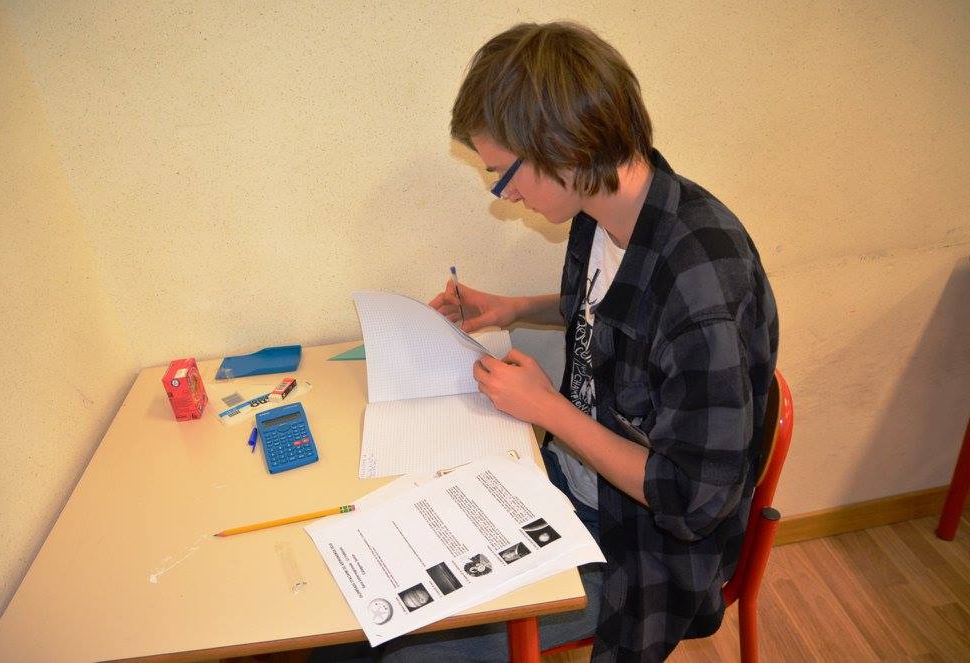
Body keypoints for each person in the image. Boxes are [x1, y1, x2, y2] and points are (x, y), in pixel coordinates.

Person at [313, 20, 777, 663]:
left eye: (504, 174)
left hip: (639, 549)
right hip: (564, 483)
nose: (505, 196)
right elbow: (618, 313)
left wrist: (548, 410)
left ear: (564, 148)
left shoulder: (701, 285)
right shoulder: (604, 210)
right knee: (350, 625)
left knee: (396, 652)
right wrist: (514, 307)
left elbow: (694, 500)